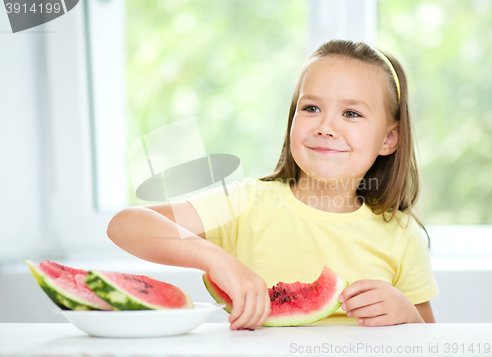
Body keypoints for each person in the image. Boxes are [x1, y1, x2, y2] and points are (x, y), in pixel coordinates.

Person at [107, 39, 439, 331]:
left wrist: (407, 314)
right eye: (311, 108)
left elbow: (430, 336)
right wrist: (216, 260)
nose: (326, 126)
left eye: (351, 113)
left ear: (389, 138)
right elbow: (125, 225)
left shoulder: (401, 234)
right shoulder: (246, 203)